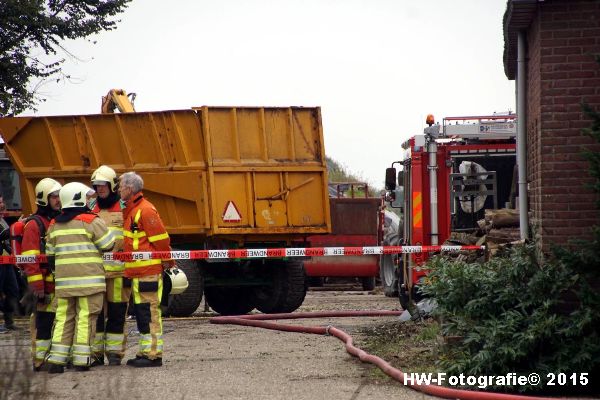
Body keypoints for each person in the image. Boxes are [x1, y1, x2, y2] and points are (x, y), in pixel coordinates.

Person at [46, 182, 115, 373]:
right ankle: (81, 360)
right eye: (85, 197)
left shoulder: (54, 224)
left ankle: (57, 360)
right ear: (77, 198)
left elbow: (50, 253)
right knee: (85, 318)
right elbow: (108, 244)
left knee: (63, 318)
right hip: (89, 283)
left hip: (64, 284)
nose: (88, 201)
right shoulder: (91, 220)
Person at [119, 172, 173, 368]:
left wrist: (167, 261)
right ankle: (145, 351)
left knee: (149, 313)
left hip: (147, 271)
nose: (118, 189)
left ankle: (152, 354)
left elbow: (161, 240)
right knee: (143, 314)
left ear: (130, 188)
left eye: (121, 186)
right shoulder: (133, 210)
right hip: (138, 273)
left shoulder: (145, 210)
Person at [19, 178, 62, 370]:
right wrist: (37, 288)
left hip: (57, 285)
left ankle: (52, 358)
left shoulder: (56, 221)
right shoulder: (34, 225)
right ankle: (40, 360)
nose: (58, 200)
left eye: (59, 196)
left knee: (56, 323)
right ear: (44, 198)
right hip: (43, 287)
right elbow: (30, 260)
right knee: (42, 324)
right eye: (54, 196)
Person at [89, 165, 128, 366]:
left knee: (117, 313)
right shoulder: (90, 208)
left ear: (112, 185)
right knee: (95, 313)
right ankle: (95, 354)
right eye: (96, 186)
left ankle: (114, 353)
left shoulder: (124, 207)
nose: (100, 189)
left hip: (119, 272)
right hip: (95, 272)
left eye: (103, 185)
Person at [0, 194, 20, 333]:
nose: (2, 206)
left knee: (13, 291)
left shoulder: (2, 221)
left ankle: (9, 322)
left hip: (6, 263)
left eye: (2, 203)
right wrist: (15, 227)